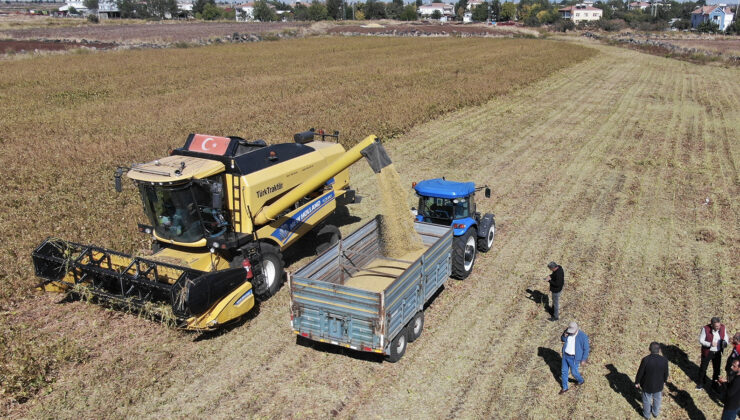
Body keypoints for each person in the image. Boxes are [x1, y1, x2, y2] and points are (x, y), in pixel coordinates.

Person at [635, 342, 669, 419]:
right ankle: (655, 413)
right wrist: (664, 381)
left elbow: (640, 372)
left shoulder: (645, 359)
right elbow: (666, 372)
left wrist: (637, 382)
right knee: (657, 399)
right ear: (659, 350)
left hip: (647, 384)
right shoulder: (664, 360)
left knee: (646, 400)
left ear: (649, 349)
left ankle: (647, 415)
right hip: (659, 384)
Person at [697, 316, 729, 390]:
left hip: (717, 352)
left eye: (719, 325)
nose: (718, 327)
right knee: (703, 368)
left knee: (717, 369)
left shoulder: (723, 328)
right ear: (712, 325)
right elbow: (701, 340)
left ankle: (714, 384)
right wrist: (710, 344)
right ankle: (700, 383)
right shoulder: (705, 329)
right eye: (716, 326)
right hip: (708, 351)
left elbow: (726, 337)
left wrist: (725, 343)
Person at [560, 321, 589, 395]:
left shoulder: (583, 336)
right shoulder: (567, 332)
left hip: (574, 358)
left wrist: (583, 359)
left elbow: (586, 349)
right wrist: (564, 335)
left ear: (576, 329)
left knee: (574, 372)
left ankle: (581, 380)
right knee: (564, 371)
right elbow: (563, 339)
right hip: (565, 355)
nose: (570, 332)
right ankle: (565, 388)